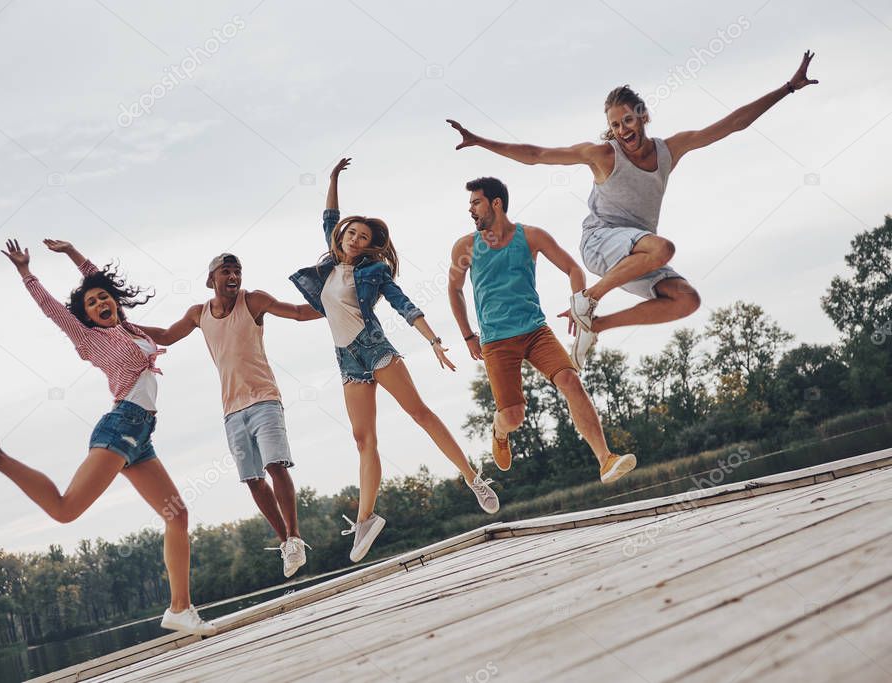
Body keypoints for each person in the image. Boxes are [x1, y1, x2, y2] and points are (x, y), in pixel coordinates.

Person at [448, 51, 819, 368]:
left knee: (686, 299)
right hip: (600, 243)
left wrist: (787, 88)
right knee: (662, 248)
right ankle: (587, 299)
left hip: (634, 255)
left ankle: (597, 325)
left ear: (642, 116)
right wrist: (481, 141)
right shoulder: (603, 155)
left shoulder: (669, 150)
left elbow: (732, 125)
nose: (623, 130)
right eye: (614, 125)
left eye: (628, 120)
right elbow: (537, 155)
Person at [0, 239, 215, 636]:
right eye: (91, 303)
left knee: (177, 514)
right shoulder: (90, 339)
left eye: (104, 299)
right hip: (121, 426)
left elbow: (97, 278)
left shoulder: (130, 328)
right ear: (85, 316)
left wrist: (74, 254)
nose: (100, 304)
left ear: (115, 303)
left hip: (141, 436)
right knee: (64, 510)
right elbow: (52, 309)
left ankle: (179, 609)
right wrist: (26, 272)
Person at [289, 158, 500, 563]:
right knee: (363, 440)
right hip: (347, 361)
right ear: (342, 237)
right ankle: (366, 519)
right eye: (350, 233)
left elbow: (405, 306)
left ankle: (474, 479)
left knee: (419, 413)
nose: (353, 239)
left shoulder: (375, 272)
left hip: (376, 348)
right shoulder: (329, 266)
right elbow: (329, 215)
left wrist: (434, 340)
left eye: (362, 236)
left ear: (370, 244)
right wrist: (332, 179)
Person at [137, 254, 320, 579]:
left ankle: (295, 536)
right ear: (212, 279)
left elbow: (297, 313)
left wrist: (338, 304)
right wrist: (121, 325)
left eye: (237, 271)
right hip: (231, 410)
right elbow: (164, 336)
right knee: (252, 478)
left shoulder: (255, 301)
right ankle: (284, 543)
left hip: (264, 399)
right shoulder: (199, 313)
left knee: (274, 464)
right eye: (226, 271)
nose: (233, 275)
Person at [448, 177, 637, 484]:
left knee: (570, 380)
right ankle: (499, 429)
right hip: (496, 341)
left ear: (496, 203)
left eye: (475, 202)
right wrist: (468, 335)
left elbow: (573, 269)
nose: (470, 209)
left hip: (536, 331)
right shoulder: (466, 247)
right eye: (470, 203)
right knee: (514, 417)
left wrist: (580, 305)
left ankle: (605, 460)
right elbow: (454, 290)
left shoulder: (532, 236)